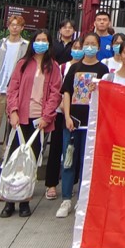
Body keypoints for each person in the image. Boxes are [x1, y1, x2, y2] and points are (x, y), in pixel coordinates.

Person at [1, 30, 63, 218]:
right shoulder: (23, 64)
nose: (41, 43)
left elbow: (55, 93)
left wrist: (47, 116)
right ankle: (9, 200)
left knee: (30, 161)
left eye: (44, 40)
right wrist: (13, 111)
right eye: (38, 40)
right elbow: (13, 89)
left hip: (39, 121)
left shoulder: (53, 66)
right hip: (20, 118)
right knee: (13, 159)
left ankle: (25, 200)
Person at [57, 32, 109, 218]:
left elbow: (106, 96)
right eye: (87, 43)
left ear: (98, 47)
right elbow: (67, 93)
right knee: (68, 161)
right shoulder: (74, 68)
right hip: (72, 121)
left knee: (85, 163)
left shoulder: (103, 69)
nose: (89, 47)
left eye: (93, 44)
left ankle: (82, 198)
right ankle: (66, 199)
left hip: (91, 123)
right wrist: (67, 116)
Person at [0, 15, 29, 156]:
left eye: (18, 25)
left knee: (12, 123)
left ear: (22, 28)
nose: (14, 27)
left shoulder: (26, 45)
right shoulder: (1, 43)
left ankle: (8, 151)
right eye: (12, 25)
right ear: (8, 26)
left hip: (15, 90)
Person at [46, 36, 81, 201]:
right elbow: (56, 88)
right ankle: (51, 184)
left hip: (79, 115)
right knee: (56, 147)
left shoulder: (87, 68)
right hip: (61, 113)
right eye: (76, 47)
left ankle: (72, 184)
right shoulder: (63, 67)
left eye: (81, 47)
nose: (78, 50)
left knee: (75, 151)